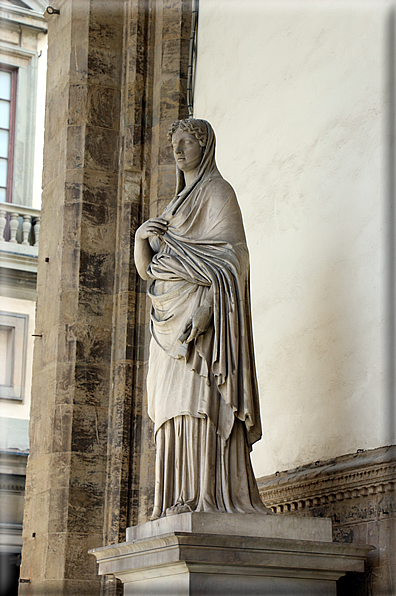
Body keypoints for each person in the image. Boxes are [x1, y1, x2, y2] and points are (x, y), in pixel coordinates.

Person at [134, 118, 272, 519]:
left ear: (205, 147)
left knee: (198, 401)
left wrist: (209, 309)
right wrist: (141, 238)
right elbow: (149, 270)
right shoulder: (173, 205)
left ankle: (206, 494)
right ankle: (177, 495)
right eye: (173, 143)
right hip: (166, 324)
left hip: (201, 320)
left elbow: (234, 259)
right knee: (168, 404)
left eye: (186, 143)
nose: (178, 151)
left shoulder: (217, 193)